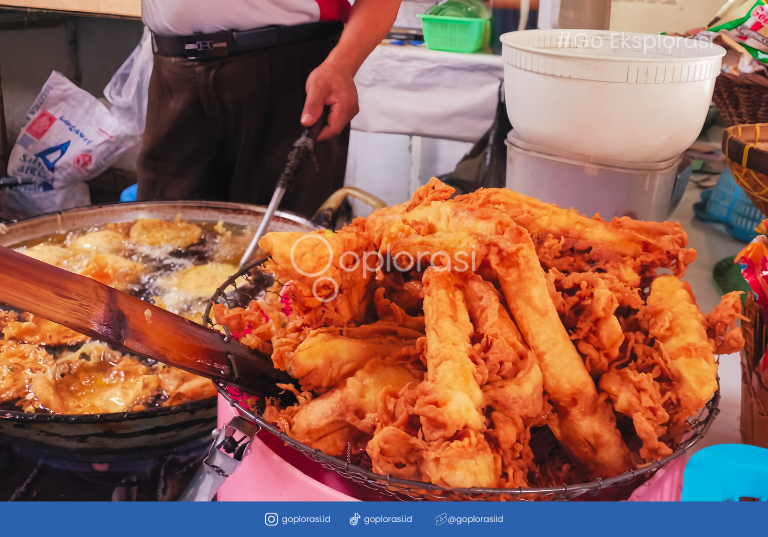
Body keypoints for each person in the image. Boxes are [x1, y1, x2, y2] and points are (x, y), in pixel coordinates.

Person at [137, 0, 401, 217]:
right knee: (156, 241)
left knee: (282, 253)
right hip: (172, 68)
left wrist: (343, 63)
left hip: (290, 67)